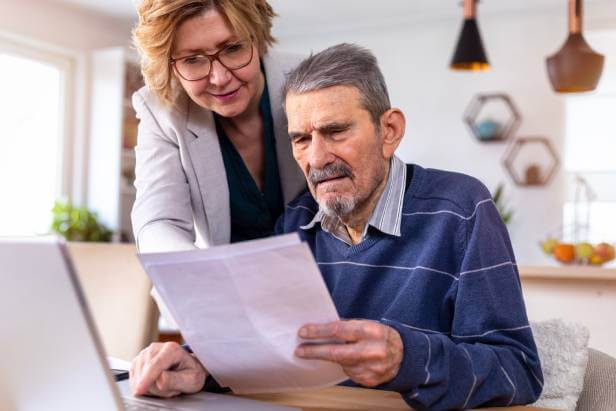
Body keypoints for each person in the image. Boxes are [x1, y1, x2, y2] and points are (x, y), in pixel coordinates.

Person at [130, 44, 544, 409]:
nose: (317, 158)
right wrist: (199, 364)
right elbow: (262, 347)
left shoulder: (462, 209)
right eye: (301, 139)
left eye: (335, 131)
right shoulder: (293, 222)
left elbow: (519, 371)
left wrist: (406, 358)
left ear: (389, 131)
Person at [131, 0, 306, 324]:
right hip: (230, 307)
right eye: (193, 60)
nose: (220, 77)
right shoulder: (163, 111)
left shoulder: (306, 80)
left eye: (233, 48)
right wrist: (204, 284)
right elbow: (157, 223)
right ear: (169, 63)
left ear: (257, 37)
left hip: (325, 289)